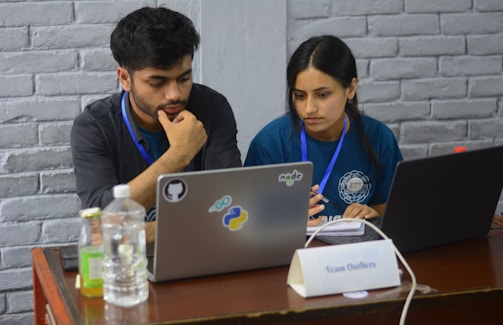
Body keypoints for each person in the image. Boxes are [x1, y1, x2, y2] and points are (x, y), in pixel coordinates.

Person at [71, 7, 242, 242]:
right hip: (126, 263)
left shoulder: (212, 108)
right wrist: (180, 154)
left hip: (200, 250)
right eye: (157, 82)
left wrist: (141, 231)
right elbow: (100, 222)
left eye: (184, 78)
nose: (174, 94)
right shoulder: (94, 126)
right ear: (124, 78)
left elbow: (231, 207)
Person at [245, 35, 402, 227]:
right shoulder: (269, 144)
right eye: (300, 96)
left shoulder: (379, 138)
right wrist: (283, 222)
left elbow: (392, 213)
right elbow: (247, 221)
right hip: (290, 254)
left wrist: (371, 215)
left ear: (351, 89)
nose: (309, 108)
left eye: (322, 95)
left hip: (354, 253)